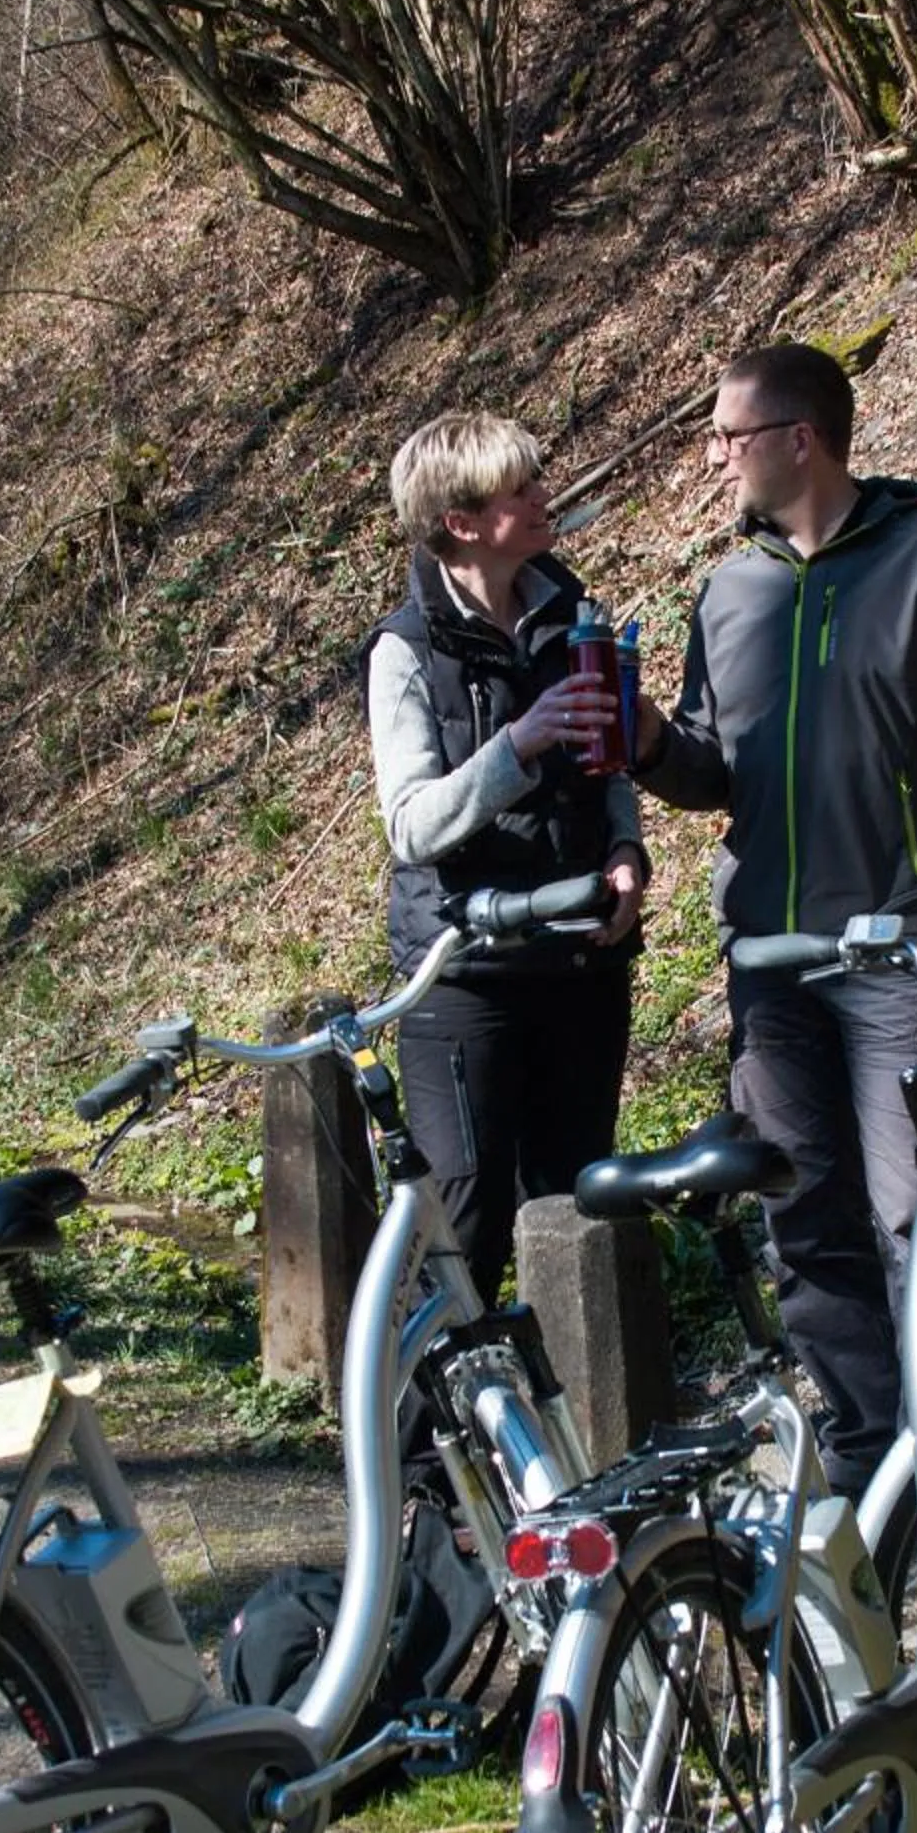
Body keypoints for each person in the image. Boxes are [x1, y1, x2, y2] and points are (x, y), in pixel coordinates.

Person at [628, 343, 917, 1496]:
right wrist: (654, 744)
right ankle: (880, 1493)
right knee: (806, 1231)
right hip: (768, 967)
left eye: (730, 435)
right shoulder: (730, 589)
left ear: (798, 439)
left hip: (903, 959)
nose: (714, 456)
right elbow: (720, 771)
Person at [366, 411, 648, 1310]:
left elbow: (608, 764)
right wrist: (516, 748)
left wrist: (627, 849)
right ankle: (413, 1449)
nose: (541, 497)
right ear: (460, 520)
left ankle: (565, 1445)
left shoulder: (571, 612)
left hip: (579, 958)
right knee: (462, 1222)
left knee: (573, 1210)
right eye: (519, 487)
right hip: (466, 977)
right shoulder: (405, 651)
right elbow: (411, 826)